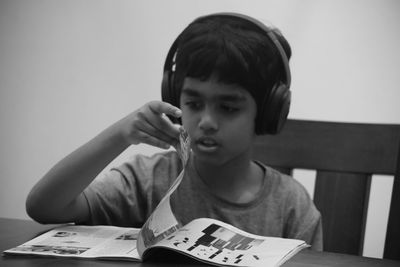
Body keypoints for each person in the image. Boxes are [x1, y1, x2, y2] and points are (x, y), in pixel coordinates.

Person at [26, 12, 323, 251]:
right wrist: (121, 134)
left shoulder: (291, 206)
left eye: (228, 107)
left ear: (269, 112)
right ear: (173, 97)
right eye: (193, 103)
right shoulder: (149, 180)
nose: (206, 121)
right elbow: (44, 206)